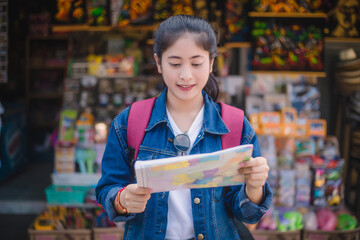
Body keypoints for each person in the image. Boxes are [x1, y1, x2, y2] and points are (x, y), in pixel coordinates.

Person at [96, 14, 272, 240]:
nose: (186, 75)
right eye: (175, 63)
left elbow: (247, 214)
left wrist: (255, 187)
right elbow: (107, 188)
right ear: (158, 62)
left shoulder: (235, 125)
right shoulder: (129, 122)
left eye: (196, 63)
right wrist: (121, 200)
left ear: (211, 63)